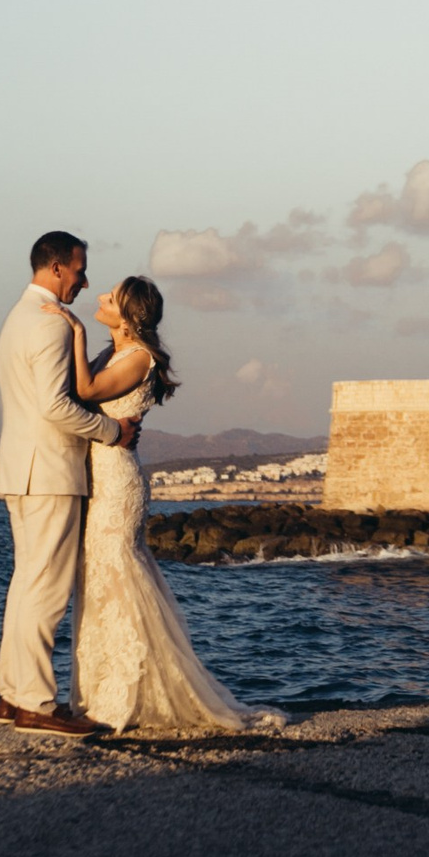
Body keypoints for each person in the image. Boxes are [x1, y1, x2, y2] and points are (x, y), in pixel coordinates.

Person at [49, 274, 285, 733]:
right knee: (101, 579)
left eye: (110, 297)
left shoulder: (138, 358)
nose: (99, 297)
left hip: (118, 482)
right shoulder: (117, 351)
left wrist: (74, 332)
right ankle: (105, 689)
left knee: (118, 576)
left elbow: (87, 391)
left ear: (128, 315)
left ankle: (129, 694)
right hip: (103, 476)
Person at [0, 230, 140, 738]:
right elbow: (57, 407)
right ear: (56, 268)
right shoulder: (51, 325)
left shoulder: (17, 318)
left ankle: (12, 696)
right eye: (79, 269)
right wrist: (112, 432)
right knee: (47, 590)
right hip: (49, 471)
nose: (84, 278)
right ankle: (35, 702)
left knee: (25, 584)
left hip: (20, 468)